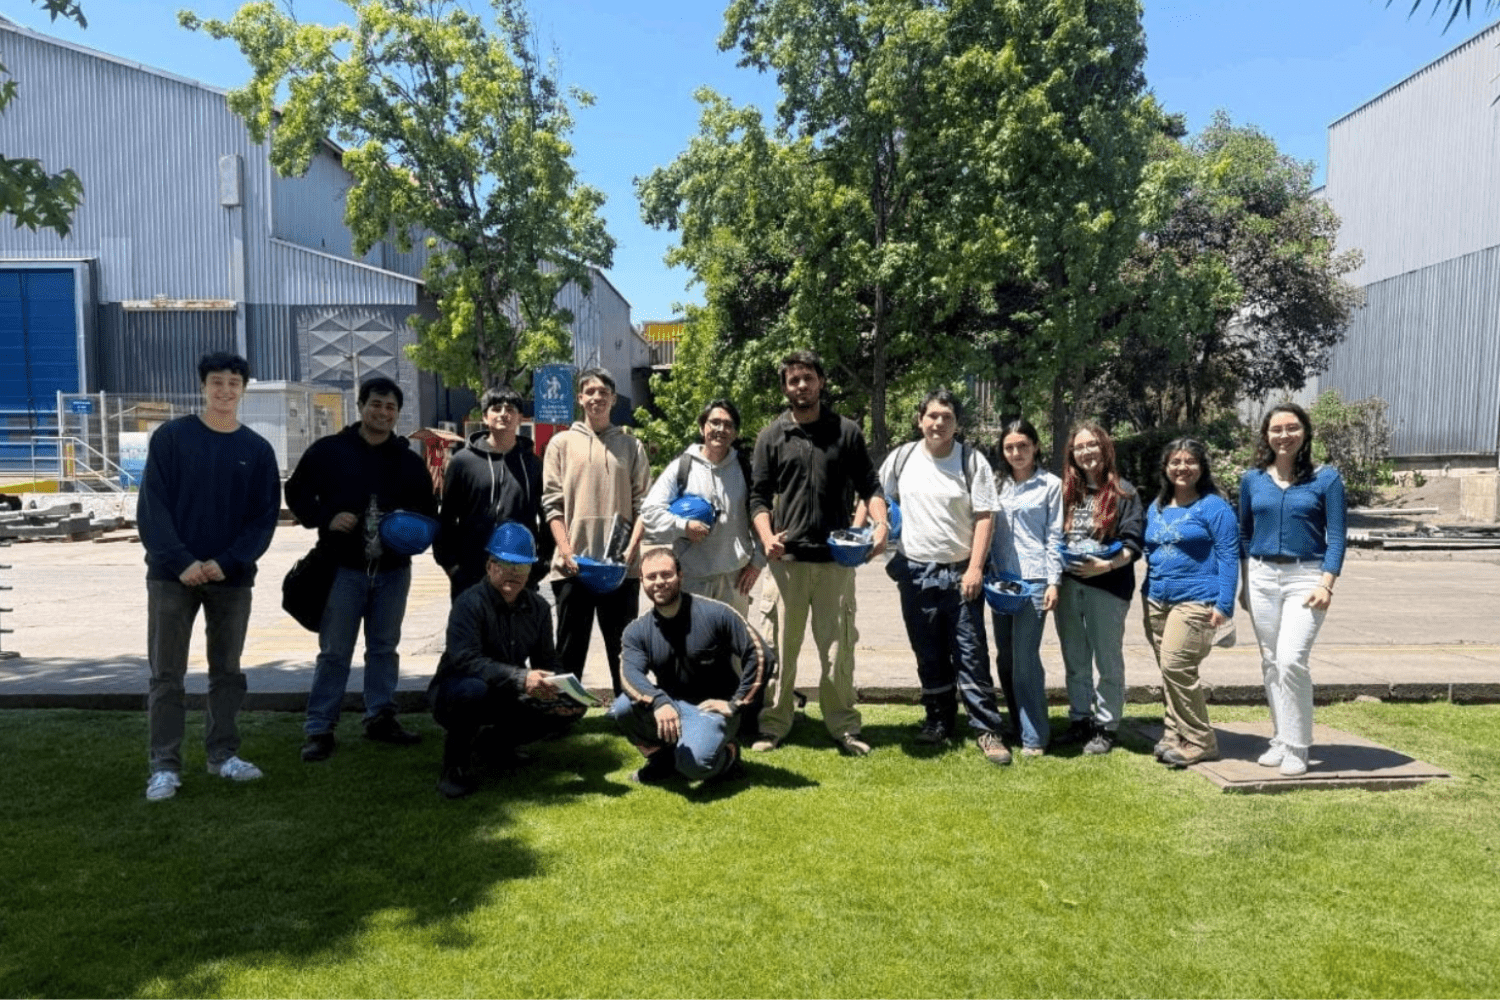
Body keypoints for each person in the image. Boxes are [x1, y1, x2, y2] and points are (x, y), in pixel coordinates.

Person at [137, 351, 280, 801]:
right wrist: (182, 561)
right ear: (203, 387)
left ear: (243, 390)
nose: (225, 391)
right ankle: (164, 765)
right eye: (216, 382)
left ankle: (223, 755)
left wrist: (229, 561)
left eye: (233, 383)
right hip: (170, 576)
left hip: (231, 579)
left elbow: (262, 520)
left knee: (228, 672)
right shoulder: (172, 438)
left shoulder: (257, 451)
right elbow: (152, 508)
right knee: (166, 674)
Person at [285, 375, 438, 762]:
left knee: (384, 648)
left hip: (393, 570)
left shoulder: (408, 462)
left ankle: (380, 716)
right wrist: (325, 517)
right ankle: (319, 728)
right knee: (335, 651)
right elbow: (296, 491)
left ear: (397, 414)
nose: (383, 412)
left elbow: (427, 513)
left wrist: (408, 530)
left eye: (390, 407)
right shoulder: (330, 451)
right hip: (343, 568)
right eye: (376, 404)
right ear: (361, 406)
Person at [748, 349, 887, 756]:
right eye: (794, 380)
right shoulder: (771, 437)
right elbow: (757, 497)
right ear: (785, 388)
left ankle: (844, 727)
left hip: (835, 564)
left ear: (821, 382)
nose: (802, 386)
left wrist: (881, 525)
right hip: (785, 565)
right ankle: (772, 725)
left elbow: (871, 487)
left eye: (808, 377)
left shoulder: (846, 432)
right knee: (778, 651)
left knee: (837, 651)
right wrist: (765, 536)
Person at [878, 390, 1010, 765]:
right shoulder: (901, 458)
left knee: (970, 651)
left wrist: (974, 568)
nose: (938, 423)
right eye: (932, 416)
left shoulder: (971, 461)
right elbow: (876, 498)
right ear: (920, 419)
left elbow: (986, 516)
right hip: (915, 572)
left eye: (946, 417)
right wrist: (877, 545)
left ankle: (987, 729)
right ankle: (938, 719)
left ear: (957, 423)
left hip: (960, 573)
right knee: (928, 651)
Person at [428, 522, 585, 798]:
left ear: (530, 571)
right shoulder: (468, 603)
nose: (512, 574)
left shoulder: (538, 609)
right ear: (489, 566)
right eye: (504, 565)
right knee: (474, 691)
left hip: (506, 691)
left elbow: (548, 660)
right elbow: (466, 660)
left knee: (568, 706)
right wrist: (522, 678)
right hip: (456, 691)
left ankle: (495, 746)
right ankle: (455, 766)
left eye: (521, 568)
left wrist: (566, 691)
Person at [1238, 403, 1347, 777]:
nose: (1284, 435)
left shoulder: (1325, 478)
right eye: (1276, 429)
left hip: (1307, 577)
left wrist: (1327, 583)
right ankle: (1282, 738)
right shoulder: (1252, 480)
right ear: (1266, 435)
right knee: (1270, 661)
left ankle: (1299, 746)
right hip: (1261, 576)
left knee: (1291, 659)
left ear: (1305, 433)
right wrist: (1243, 583)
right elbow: (1244, 534)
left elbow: (1337, 538)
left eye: (1292, 428)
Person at [611, 547, 774, 784]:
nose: (659, 582)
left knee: (696, 767)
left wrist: (737, 703)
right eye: (651, 577)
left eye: (666, 575)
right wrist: (658, 701)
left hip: (712, 711)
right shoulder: (637, 631)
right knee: (623, 708)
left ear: (680, 575)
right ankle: (662, 761)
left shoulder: (716, 613)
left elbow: (760, 654)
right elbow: (629, 674)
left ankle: (729, 753)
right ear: (642, 581)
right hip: (671, 705)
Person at [541, 367, 651, 696]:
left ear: (613, 399)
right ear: (580, 398)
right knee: (570, 647)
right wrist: (565, 551)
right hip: (573, 567)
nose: (596, 398)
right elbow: (552, 504)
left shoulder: (632, 446)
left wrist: (631, 551)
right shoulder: (560, 444)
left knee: (624, 648)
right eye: (590, 392)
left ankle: (629, 711)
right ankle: (564, 712)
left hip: (621, 569)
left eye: (603, 392)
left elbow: (644, 504)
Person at [1141, 438, 1239, 768]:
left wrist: (1224, 605)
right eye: (1175, 462)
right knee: (1170, 672)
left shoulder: (1214, 507)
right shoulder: (1156, 506)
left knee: (1176, 666)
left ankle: (1200, 739)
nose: (1182, 467)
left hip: (1197, 601)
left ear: (1201, 467)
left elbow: (1229, 556)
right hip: (1156, 600)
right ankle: (1173, 733)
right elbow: (1149, 551)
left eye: (1190, 461)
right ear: (1165, 468)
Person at [1053, 422, 1144, 756]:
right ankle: (1080, 718)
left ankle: (1107, 726)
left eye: (1092, 445)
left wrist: (1104, 566)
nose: (1086, 451)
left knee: (1107, 659)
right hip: (1069, 585)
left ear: (1105, 448)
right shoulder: (1066, 494)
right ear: (1072, 454)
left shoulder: (1124, 493)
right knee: (1075, 658)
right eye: (1079, 447)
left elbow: (1134, 543)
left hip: (1107, 586)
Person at [639, 398, 763, 618]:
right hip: (692, 580)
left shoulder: (745, 469)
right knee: (694, 648)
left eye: (728, 425)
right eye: (714, 422)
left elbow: (761, 515)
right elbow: (649, 513)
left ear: (735, 433)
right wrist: (683, 526)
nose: (720, 429)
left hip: (734, 581)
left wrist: (757, 562)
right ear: (702, 427)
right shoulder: (682, 467)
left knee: (732, 648)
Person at [989, 418, 1064, 758]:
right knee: (1005, 658)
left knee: (1025, 659)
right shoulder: (994, 484)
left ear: (1035, 446)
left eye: (1023, 446)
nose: (1016, 452)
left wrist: (1053, 581)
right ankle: (1016, 725)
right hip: (1001, 581)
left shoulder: (1050, 485)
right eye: (1009, 447)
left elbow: (1054, 536)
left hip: (1034, 581)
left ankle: (1035, 735)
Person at [434, 385, 547, 599]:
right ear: (485, 417)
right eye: (496, 408)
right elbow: (446, 518)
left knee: (517, 633)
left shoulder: (533, 464)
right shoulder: (462, 462)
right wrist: (452, 567)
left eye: (511, 409)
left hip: (519, 574)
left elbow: (546, 515)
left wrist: (541, 565)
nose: (504, 414)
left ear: (520, 418)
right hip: (470, 576)